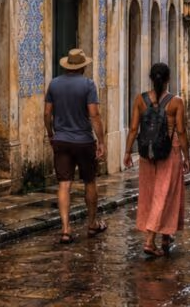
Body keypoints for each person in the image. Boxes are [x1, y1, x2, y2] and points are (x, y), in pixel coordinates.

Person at [125, 63, 189, 257]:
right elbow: (181, 131)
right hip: (171, 151)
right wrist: (187, 156)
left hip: (147, 152)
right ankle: (150, 240)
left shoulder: (140, 100)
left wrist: (128, 152)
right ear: (168, 79)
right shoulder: (176, 101)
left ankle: (165, 234)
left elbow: (134, 129)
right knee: (166, 193)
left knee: (150, 193)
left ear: (151, 78)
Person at [45, 48, 107, 243]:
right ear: (82, 67)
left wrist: (50, 133)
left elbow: (47, 114)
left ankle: (65, 229)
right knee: (89, 181)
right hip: (84, 141)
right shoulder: (88, 85)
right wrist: (101, 141)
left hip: (61, 140)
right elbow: (94, 115)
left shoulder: (54, 84)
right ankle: (91, 224)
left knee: (64, 184)